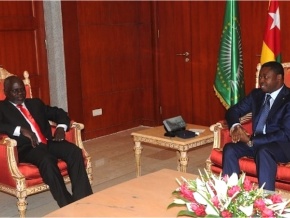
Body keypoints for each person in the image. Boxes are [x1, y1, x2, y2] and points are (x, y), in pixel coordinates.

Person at [0, 75, 93, 207]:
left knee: (74, 151)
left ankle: (83, 199)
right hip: (26, 148)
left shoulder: (35, 103)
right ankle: (67, 204)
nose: (20, 93)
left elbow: (58, 112)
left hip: (47, 142)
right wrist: (20, 129)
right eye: (15, 91)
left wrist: (61, 127)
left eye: (22, 89)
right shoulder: (2, 108)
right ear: (6, 92)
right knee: (47, 160)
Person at [222, 61, 290, 191]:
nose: (261, 81)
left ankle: (265, 200)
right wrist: (236, 126)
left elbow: (285, 133)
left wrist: (251, 140)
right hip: (255, 142)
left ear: (279, 78)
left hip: (281, 145)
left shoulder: (288, 98)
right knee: (230, 149)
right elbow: (233, 111)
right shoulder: (257, 94)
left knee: (264, 151)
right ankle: (231, 193)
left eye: (266, 77)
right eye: (260, 77)